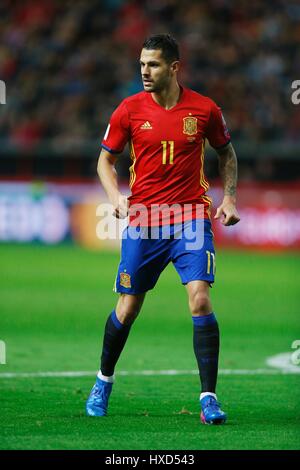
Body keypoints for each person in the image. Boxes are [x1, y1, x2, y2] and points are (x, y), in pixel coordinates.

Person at [86, 34, 240, 424]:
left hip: (190, 216)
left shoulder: (205, 110)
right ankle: (103, 380)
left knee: (200, 300)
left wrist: (230, 198)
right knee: (129, 305)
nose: (144, 71)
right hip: (144, 219)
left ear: (174, 68)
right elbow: (105, 162)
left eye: (152, 64)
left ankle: (208, 399)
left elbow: (227, 153)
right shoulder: (129, 110)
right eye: (141, 64)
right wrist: (115, 197)